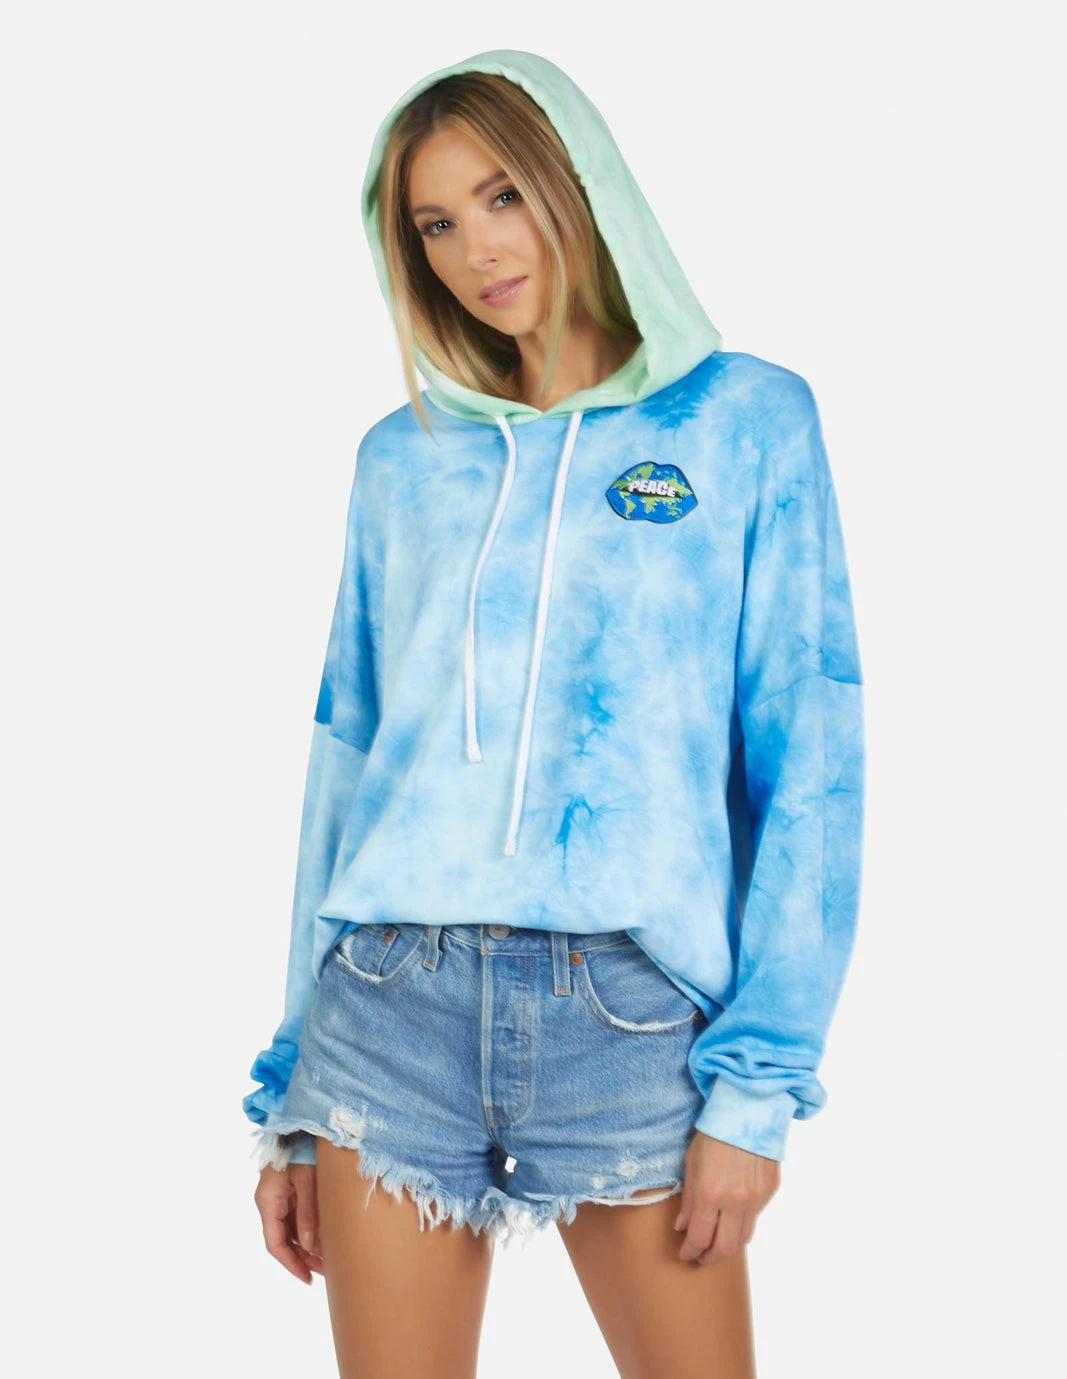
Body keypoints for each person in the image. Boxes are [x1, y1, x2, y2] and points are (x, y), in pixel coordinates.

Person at [244, 48, 864, 1379]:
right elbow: (346, 766)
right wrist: (291, 1089)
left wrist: (757, 1086)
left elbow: (808, 765)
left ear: (578, 184)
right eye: (434, 223)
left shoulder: (744, 423)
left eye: (503, 196)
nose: (475, 249)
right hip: (388, 1007)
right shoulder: (404, 458)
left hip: (629, 1019)